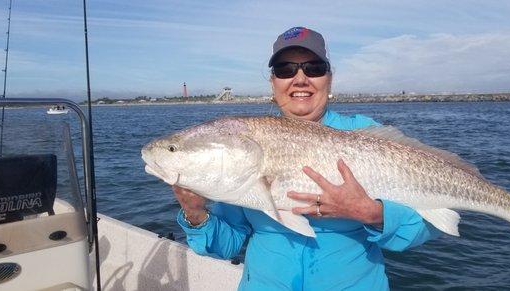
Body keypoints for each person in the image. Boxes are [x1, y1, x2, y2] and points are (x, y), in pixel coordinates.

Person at [173, 26, 441, 290]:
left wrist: (372, 213)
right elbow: (225, 245)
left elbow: (424, 227)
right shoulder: (243, 149)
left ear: (329, 78)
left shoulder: (366, 136)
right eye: (285, 69)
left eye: (313, 68)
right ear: (273, 82)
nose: (300, 79)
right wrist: (195, 213)